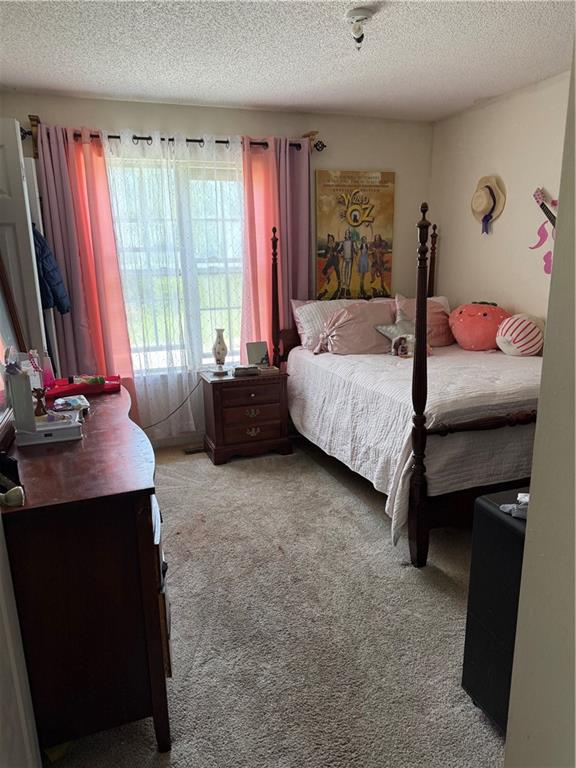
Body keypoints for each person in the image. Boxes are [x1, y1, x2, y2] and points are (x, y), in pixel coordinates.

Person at [319, 234, 340, 299]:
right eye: (329, 239)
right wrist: (326, 255)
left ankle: (339, 284)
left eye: (331, 238)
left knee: (337, 272)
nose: (330, 240)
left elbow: (339, 250)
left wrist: (335, 252)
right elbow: (325, 255)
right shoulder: (328, 246)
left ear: (333, 239)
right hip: (330, 261)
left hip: (335, 260)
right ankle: (328, 278)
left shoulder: (336, 244)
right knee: (324, 271)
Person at [338, 229, 356, 298]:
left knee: (348, 273)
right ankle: (343, 287)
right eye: (346, 233)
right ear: (345, 234)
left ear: (350, 234)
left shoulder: (352, 242)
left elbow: (355, 249)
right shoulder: (342, 242)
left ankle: (347, 288)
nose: (347, 234)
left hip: (350, 259)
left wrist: (355, 252)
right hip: (344, 258)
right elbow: (339, 249)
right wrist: (341, 252)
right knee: (343, 271)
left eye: (348, 233)